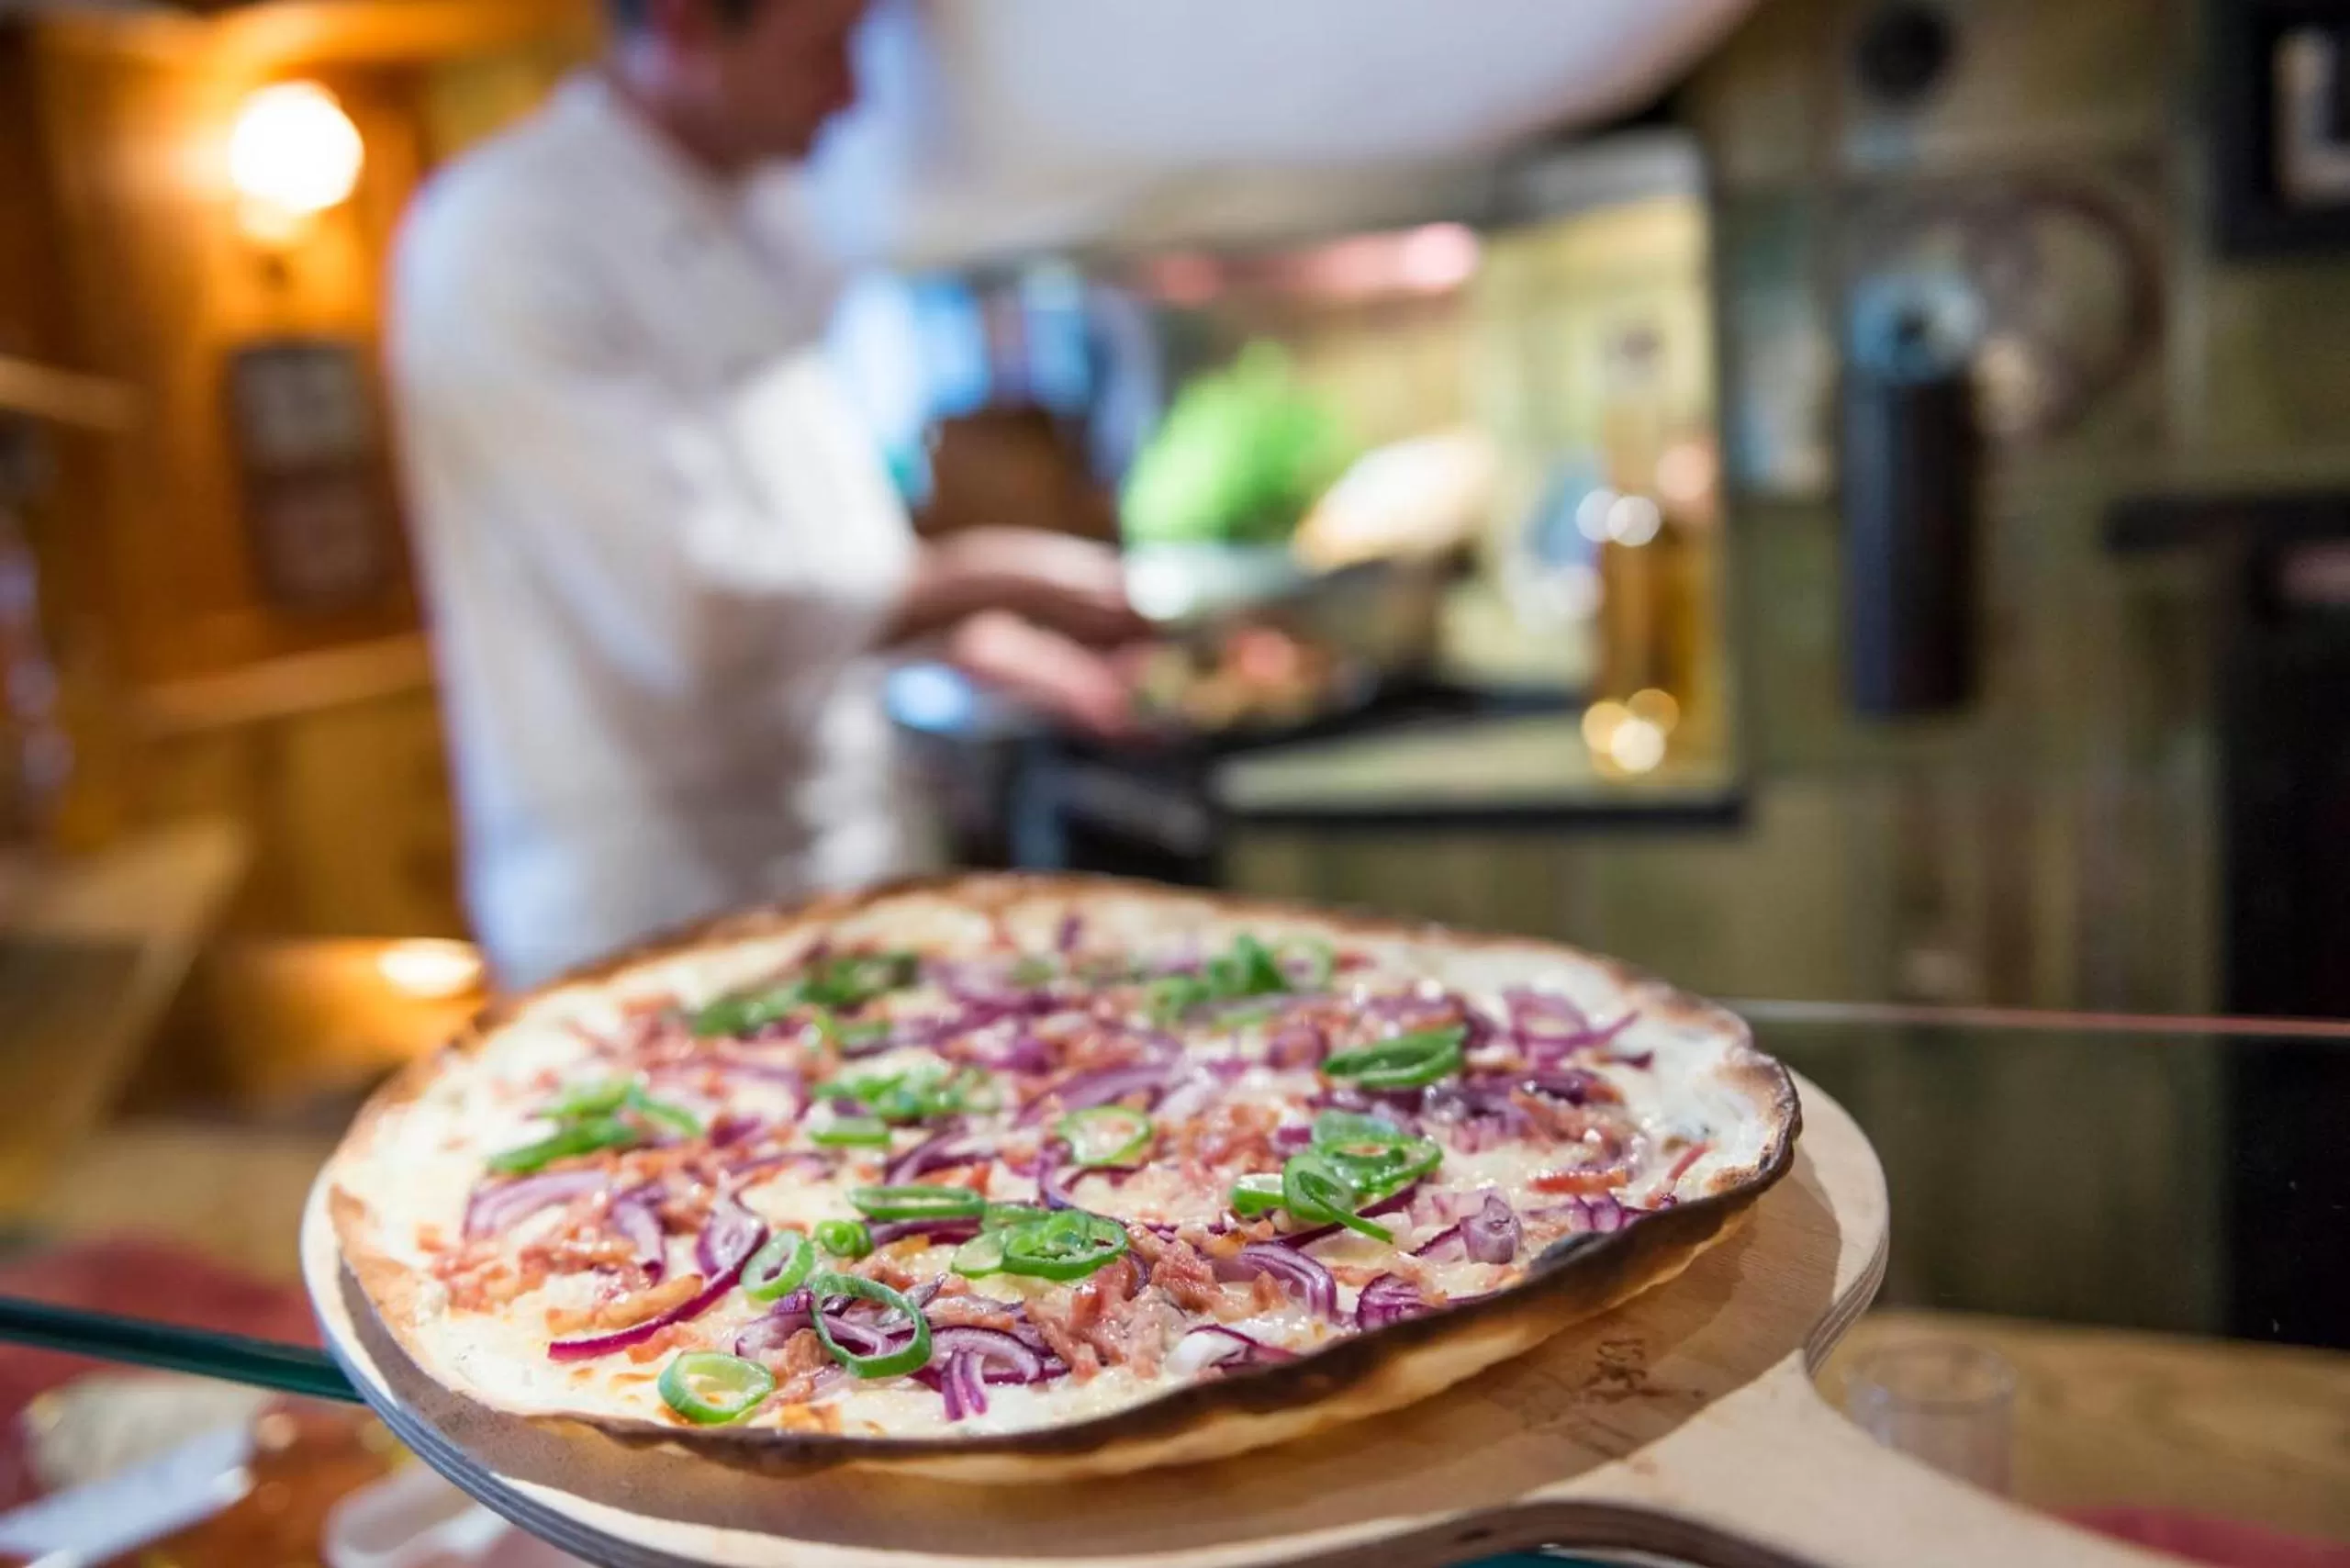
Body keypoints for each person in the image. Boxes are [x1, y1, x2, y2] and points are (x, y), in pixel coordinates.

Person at [390, 0, 1142, 987]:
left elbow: (818, 536)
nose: (856, 94)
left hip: (839, 850)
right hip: (643, 901)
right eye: (826, 50)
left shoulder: (771, 212)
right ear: (687, 25)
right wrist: (987, 581)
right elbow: (689, 612)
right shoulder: (503, 238)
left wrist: (986, 646)